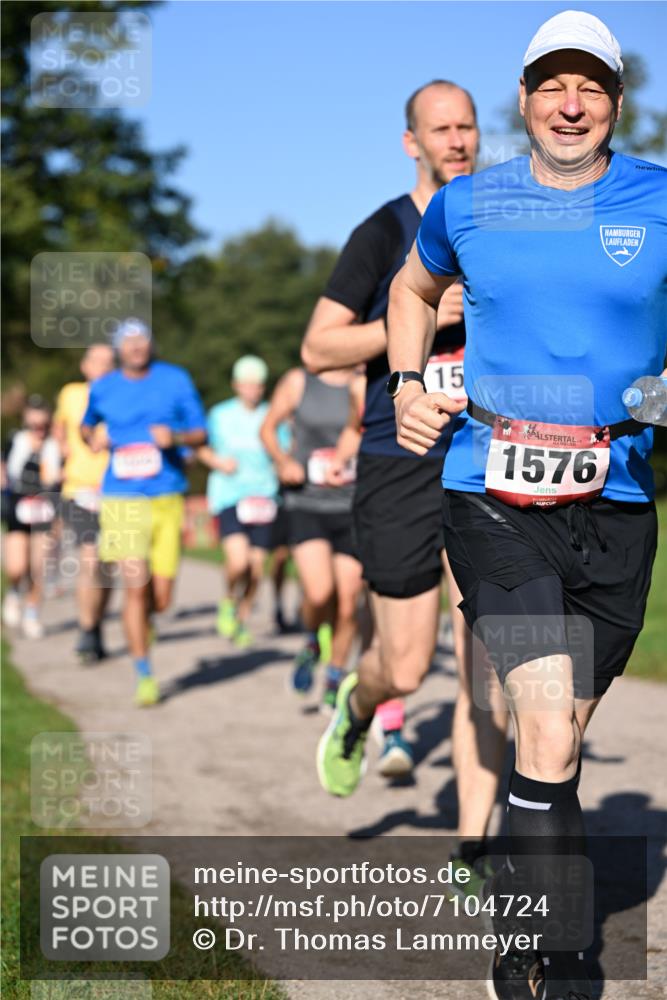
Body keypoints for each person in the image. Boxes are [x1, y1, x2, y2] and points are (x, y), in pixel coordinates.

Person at [386, 12, 666, 999]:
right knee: (542, 721)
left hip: (620, 495)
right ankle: (551, 960)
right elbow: (411, 292)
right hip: (490, 487)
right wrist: (408, 383)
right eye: (551, 84)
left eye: (589, 85)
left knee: (561, 740)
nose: (570, 102)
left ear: (616, 103)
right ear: (524, 99)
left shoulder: (660, 199)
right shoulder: (467, 204)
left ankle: (524, 903)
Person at [305, 81, 507, 881]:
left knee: (484, 668)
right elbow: (318, 351)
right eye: (440, 129)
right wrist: (420, 319)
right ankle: (358, 707)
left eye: (466, 127)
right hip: (398, 463)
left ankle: (470, 848)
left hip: (487, 459)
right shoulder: (384, 228)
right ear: (411, 141)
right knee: (407, 666)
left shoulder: (498, 219)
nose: (457, 140)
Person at [81, 319, 207, 706]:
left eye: (142, 340)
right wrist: (94, 438)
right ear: (119, 348)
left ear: (151, 344)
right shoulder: (103, 387)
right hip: (122, 498)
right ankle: (144, 674)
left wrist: (177, 438)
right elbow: (86, 429)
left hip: (166, 497)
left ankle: (145, 625)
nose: (136, 347)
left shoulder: (176, 380)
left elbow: (201, 433)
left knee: (161, 598)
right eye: (129, 342)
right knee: (135, 588)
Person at [260, 367, 364, 710]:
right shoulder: (298, 381)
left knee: (349, 600)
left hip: (351, 504)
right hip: (306, 502)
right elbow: (267, 429)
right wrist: (282, 460)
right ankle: (311, 643)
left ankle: (334, 677)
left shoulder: (367, 379)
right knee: (319, 592)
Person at [199, 355, 283, 648]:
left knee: (257, 569)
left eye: (258, 386)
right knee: (238, 562)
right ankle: (228, 600)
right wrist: (218, 462)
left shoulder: (273, 414)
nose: (253, 391)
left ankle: (242, 619)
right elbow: (202, 450)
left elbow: (283, 450)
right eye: (247, 385)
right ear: (236, 386)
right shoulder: (220, 414)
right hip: (230, 494)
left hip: (264, 495)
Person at [53, 343, 115, 662]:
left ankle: (97, 624)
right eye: (97, 361)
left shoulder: (123, 394)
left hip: (117, 490)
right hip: (79, 489)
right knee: (90, 560)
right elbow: (58, 428)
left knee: (108, 568)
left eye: (109, 362)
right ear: (84, 365)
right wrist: (60, 450)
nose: (103, 367)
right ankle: (86, 628)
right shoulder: (71, 394)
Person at [2, 396, 61, 638]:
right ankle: (15, 591)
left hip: (44, 510)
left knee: (38, 567)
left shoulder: (55, 447)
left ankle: (32, 613)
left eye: (42, 424)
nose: (39, 429)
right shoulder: (15, 441)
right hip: (18, 508)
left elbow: (57, 480)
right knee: (17, 567)